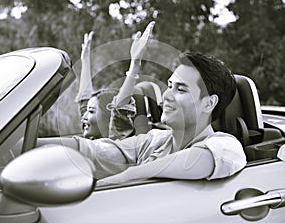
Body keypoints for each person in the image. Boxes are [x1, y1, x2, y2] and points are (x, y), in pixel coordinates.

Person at [37, 46, 246, 185]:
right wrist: (25, 144)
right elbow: (94, 149)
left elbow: (203, 158)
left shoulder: (226, 146)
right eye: (169, 86)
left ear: (209, 103)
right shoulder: (154, 140)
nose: (166, 96)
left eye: (180, 90)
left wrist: (122, 179)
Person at [74, 22, 155, 140]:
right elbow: (84, 100)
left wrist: (135, 65)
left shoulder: (115, 143)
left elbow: (119, 110)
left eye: (91, 111)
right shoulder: (91, 139)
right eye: (87, 111)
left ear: (108, 120)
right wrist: (85, 60)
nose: (84, 117)